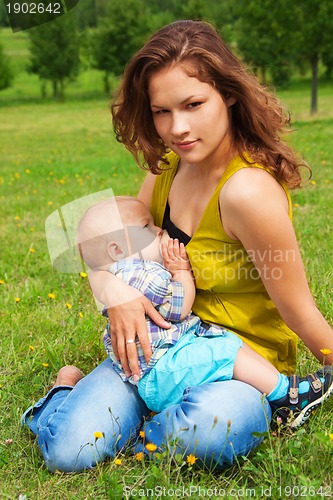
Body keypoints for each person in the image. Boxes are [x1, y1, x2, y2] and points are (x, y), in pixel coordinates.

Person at [22, 20, 333, 473]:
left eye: (193, 104)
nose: (178, 128)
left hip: (237, 366)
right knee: (69, 451)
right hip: (156, 353)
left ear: (227, 93)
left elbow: (299, 311)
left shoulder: (248, 192)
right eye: (161, 111)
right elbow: (95, 240)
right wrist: (113, 292)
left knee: (211, 428)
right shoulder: (167, 167)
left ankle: (135, 429)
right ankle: (70, 394)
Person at [77, 195, 332, 421]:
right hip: (162, 370)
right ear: (118, 249)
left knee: (229, 346)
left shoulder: (128, 271)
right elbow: (178, 309)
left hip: (159, 367)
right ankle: (288, 397)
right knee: (225, 352)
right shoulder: (141, 275)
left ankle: (283, 390)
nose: (158, 230)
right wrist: (182, 272)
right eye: (146, 226)